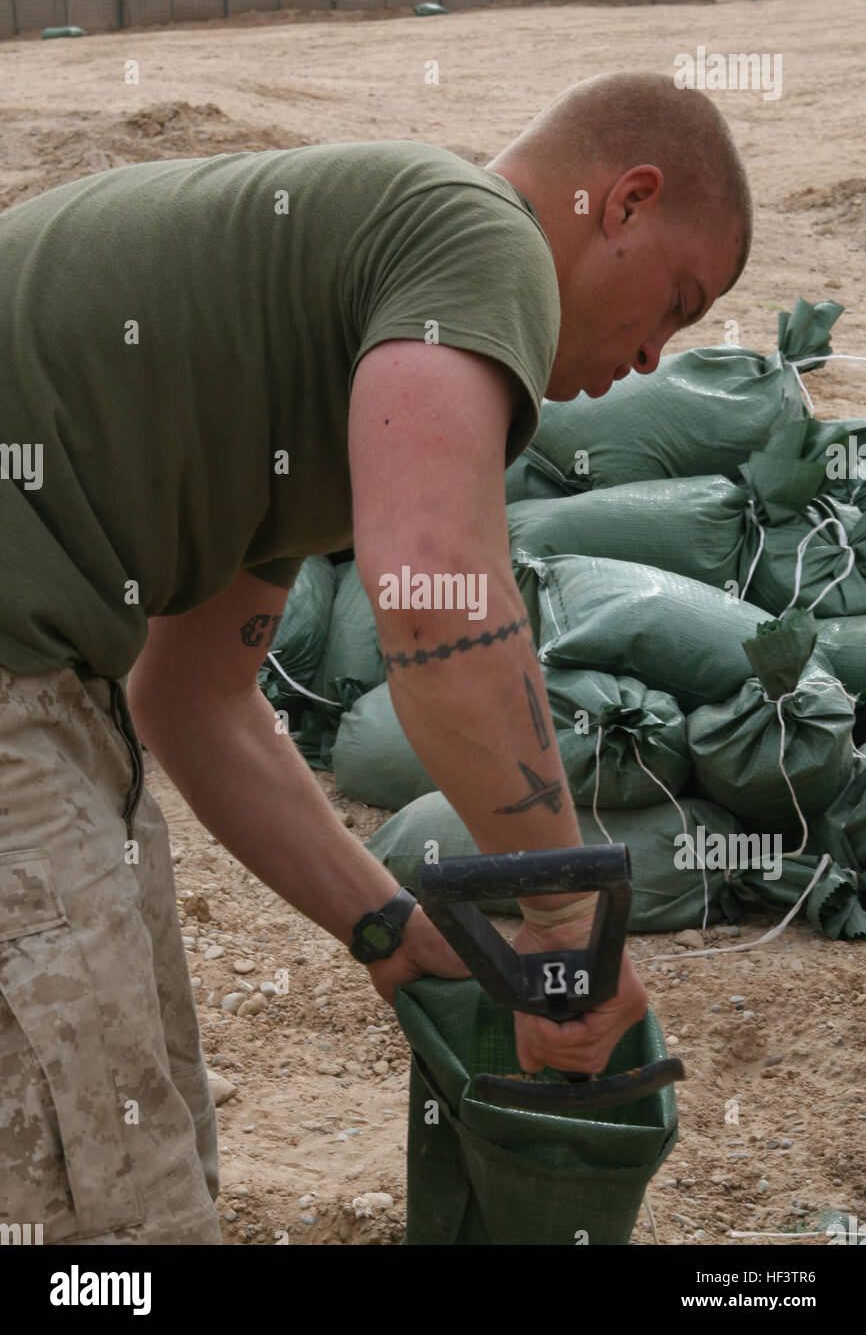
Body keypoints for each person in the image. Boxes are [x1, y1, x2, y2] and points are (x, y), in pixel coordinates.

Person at [0, 71, 751, 1244]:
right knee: (104, 1221)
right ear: (623, 202)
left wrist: (394, 933)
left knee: (150, 1155)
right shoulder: (476, 231)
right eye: (677, 300)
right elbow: (431, 602)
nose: (655, 357)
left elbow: (192, 699)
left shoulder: (340, 311)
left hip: (52, 682)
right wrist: (564, 916)